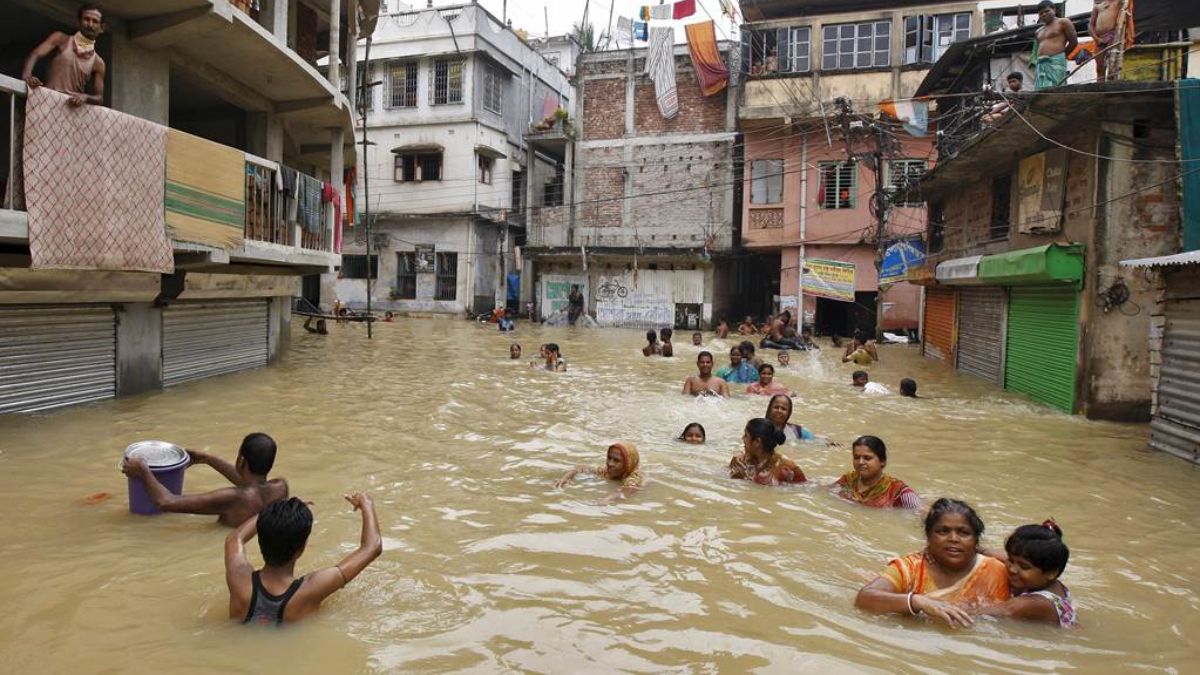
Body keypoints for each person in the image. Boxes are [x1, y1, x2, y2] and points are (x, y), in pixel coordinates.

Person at [225, 493, 382, 626]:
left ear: (260, 539)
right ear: (302, 548)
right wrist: (366, 503)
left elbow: (235, 538)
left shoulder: (238, 577)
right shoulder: (311, 589)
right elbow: (372, 547)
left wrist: (274, 513)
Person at [855, 498, 1010, 628]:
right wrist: (918, 601)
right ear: (928, 537)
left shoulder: (996, 570)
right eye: (943, 531)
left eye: (964, 533)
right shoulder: (910, 568)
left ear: (975, 540)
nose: (953, 539)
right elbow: (864, 598)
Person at [120, 433, 288, 527]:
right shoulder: (280, 487)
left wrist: (143, 471)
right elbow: (251, 484)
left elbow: (165, 501)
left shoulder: (234, 497)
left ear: (241, 461)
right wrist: (209, 459)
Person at [976, 521, 1077, 628]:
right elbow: (1005, 557)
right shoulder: (1045, 579)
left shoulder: (1031, 604)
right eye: (1011, 560)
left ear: (1051, 573)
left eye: (1024, 567)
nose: (1012, 569)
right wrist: (976, 549)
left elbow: (975, 614)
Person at [22, 4, 107, 107]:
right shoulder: (61, 39)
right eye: (86, 19)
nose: (90, 24)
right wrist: (27, 75)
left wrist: (85, 97)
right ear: (78, 22)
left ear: (102, 28)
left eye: (95, 21)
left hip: (70, 111)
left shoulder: (98, 62)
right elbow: (35, 55)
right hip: (47, 103)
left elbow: (99, 98)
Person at [832, 436, 921, 509]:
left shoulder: (898, 492)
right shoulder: (847, 481)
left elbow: (924, 513)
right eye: (856, 457)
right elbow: (824, 492)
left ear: (882, 461)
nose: (860, 462)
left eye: (867, 458)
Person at [728, 418, 807, 486]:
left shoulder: (786, 467)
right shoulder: (739, 461)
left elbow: (804, 488)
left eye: (746, 435)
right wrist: (736, 476)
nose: (742, 438)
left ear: (757, 442)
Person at [554, 442, 644, 500]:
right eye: (609, 458)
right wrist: (565, 478)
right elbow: (580, 468)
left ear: (627, 464)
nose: (610, 463)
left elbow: (627, 490)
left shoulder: (634, 477)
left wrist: (608, 499)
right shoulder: (605, 471)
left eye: (616, 460)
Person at [1033, 0, 1078, 90]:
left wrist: (1062, 55)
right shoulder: (1038, 31)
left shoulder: (1063, 22)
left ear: (1054, 10)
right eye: (1041, 13)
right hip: (1041, 64)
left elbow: (1073, 41)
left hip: (1056, 61)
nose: (1044, 14)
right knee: (1040, 90)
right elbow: (1039, 47)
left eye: (1047, 11)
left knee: (1056, 88)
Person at [1089, 0, 1125, 81]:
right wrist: (1096, 39)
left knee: (1112, 66)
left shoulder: (1118, 3)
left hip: (1113, 37)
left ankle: (1110, 87)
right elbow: (1090, 26)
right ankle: (1100, 88)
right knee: (1099, 67)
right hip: (1099, 39)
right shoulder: (1097, 6)